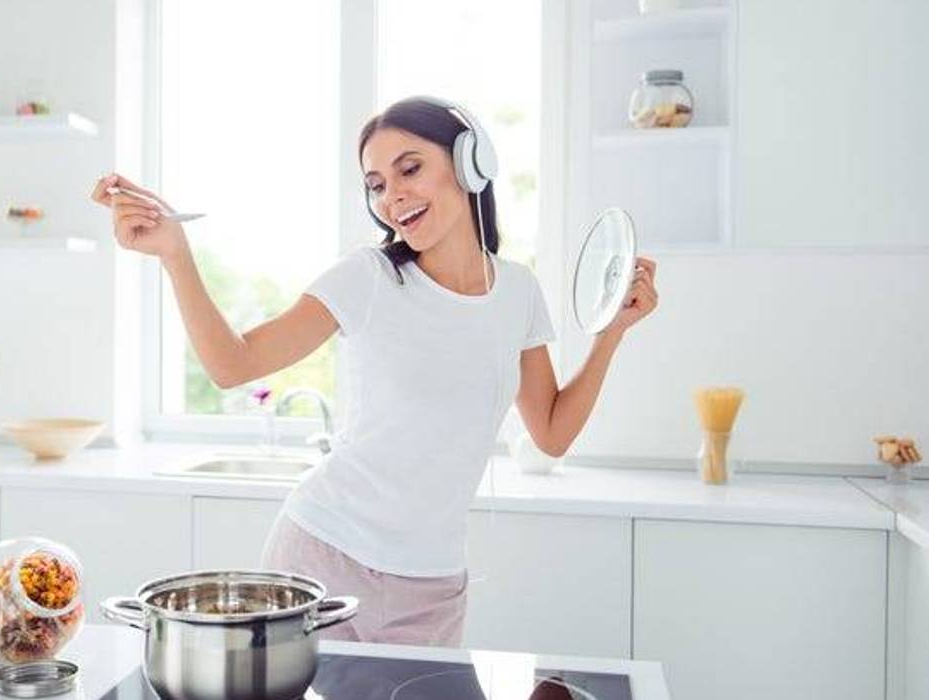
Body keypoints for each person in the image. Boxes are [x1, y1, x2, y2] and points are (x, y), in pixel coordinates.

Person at [91, 96, 658, 647]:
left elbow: (552, 432)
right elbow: (231, 364)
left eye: (410, 169)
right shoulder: (369, 277)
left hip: (433, 586)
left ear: (470, 163)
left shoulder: (518, 291)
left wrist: (612, 333)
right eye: (376, 184)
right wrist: (175, 254)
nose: (392, 197)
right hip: (324, 559)